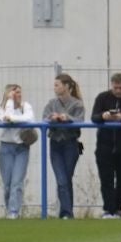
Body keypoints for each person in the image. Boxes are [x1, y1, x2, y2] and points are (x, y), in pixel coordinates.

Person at [90, 73, 121, 219]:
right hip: (104, 145)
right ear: (111, 85)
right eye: (115, 87)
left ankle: (118, 208)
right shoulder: (102, 97)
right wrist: (103, 116)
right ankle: (108, 209)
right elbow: (94, 117)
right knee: (106, 179)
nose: (118, 90)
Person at [44, 74, 83, 219]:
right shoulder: (51, 103)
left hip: (71, 144)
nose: (55, 88)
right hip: (55, 144)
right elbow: (44, 117)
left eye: (57, 85)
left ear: (66, 86)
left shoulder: (77, 104)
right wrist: (52, 118)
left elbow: (80, 120)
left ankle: (67, 212)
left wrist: (68, 118)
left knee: (67, 178)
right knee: (61, 180)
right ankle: (66, 212)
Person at [0, 83, 35, 219]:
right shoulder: (1, 107)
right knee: (7, 184)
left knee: (17, 182)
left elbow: (29, 119)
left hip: (22, 148)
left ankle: (14, 212)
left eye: (19, 92)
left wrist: (13, 119)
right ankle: (9, 210)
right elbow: (5, 119)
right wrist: (10, 102)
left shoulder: (26, 106)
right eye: (15, 92)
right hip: (6, 148)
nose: (18, 95)